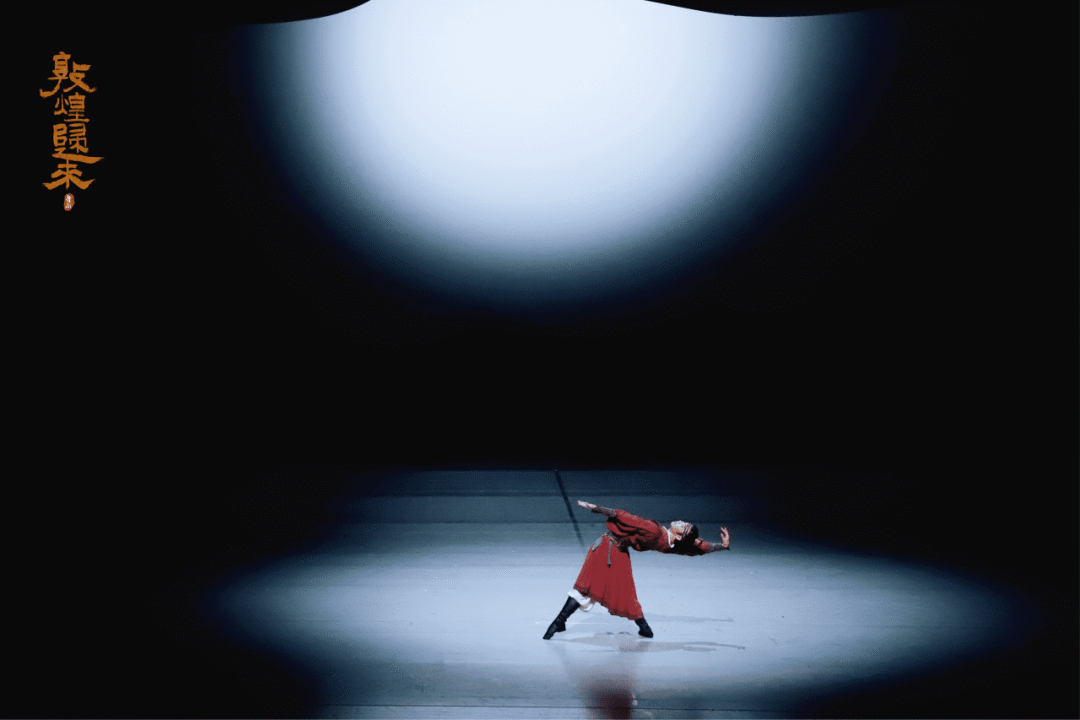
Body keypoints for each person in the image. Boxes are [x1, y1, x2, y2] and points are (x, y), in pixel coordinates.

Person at [543, 501, 731, 639]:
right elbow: (695, 546)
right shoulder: (669, 544)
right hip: (618, 552)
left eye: (683, 525)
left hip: (608, 548)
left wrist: (596, 508)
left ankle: (557, 623)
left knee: (586, 586)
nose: (680, 521)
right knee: (625, 592)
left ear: (680, 535)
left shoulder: (654, 530)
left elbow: (625, 517)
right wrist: (721, 546)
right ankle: (644, 628)